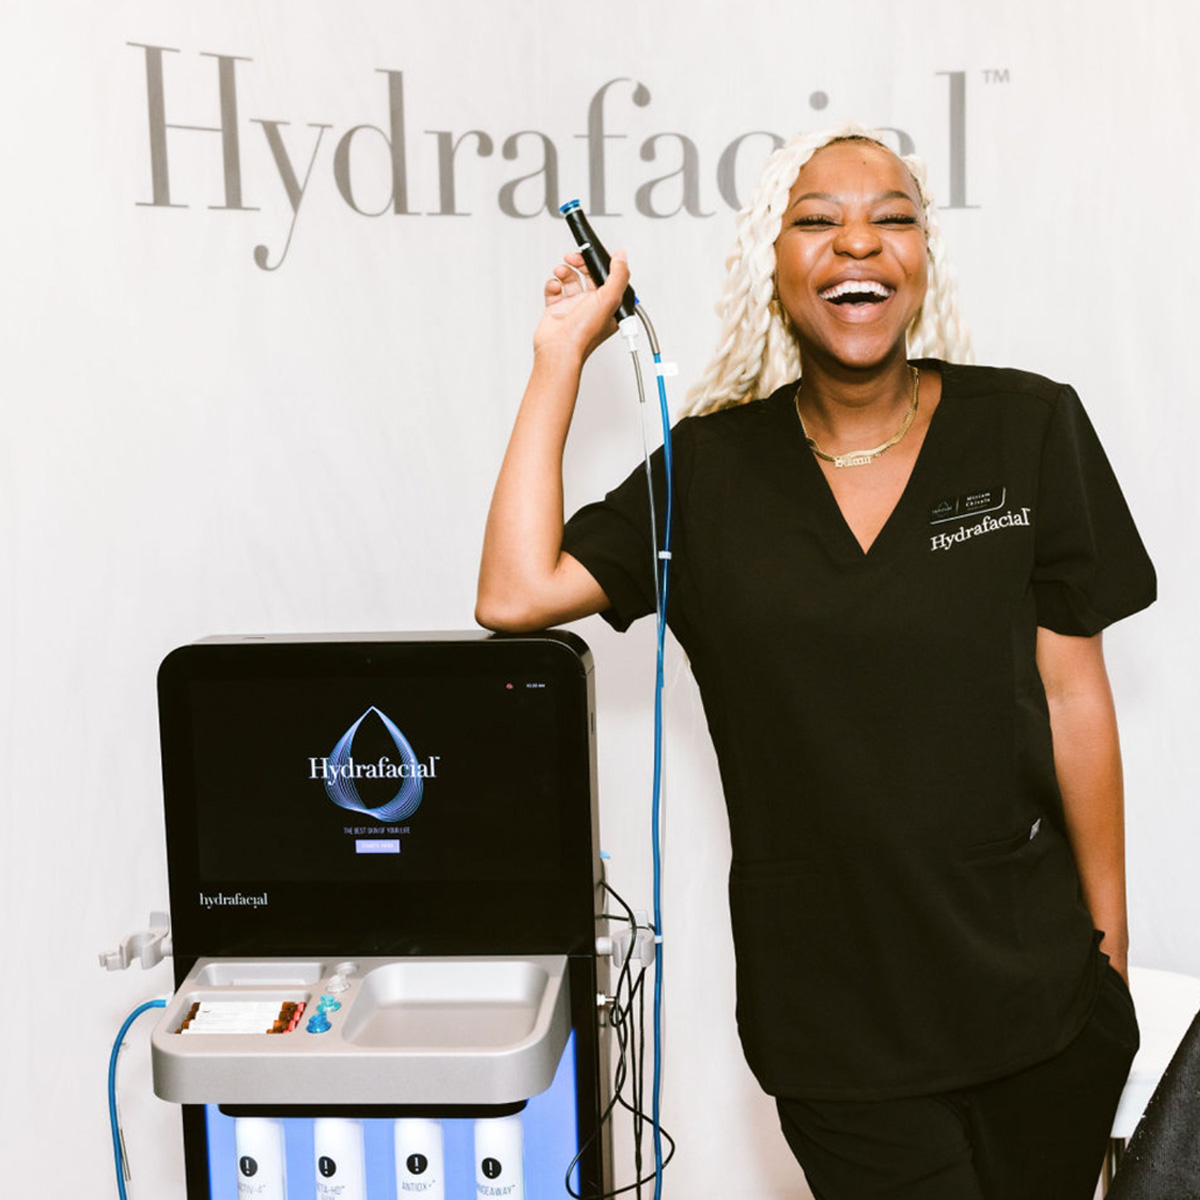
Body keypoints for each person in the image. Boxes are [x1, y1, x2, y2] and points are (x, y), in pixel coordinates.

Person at [476, 123, 1155, 1200]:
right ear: (772, 264)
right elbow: (515, 592)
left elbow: (1077, 697)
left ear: (923, 263)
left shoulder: (1027, 430)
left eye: (894, 221)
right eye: (819, 221)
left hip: (1040, 1010)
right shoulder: (708, 474)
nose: (859, 245)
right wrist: (561, 354)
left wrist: (1108, 962)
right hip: (838, 1030)